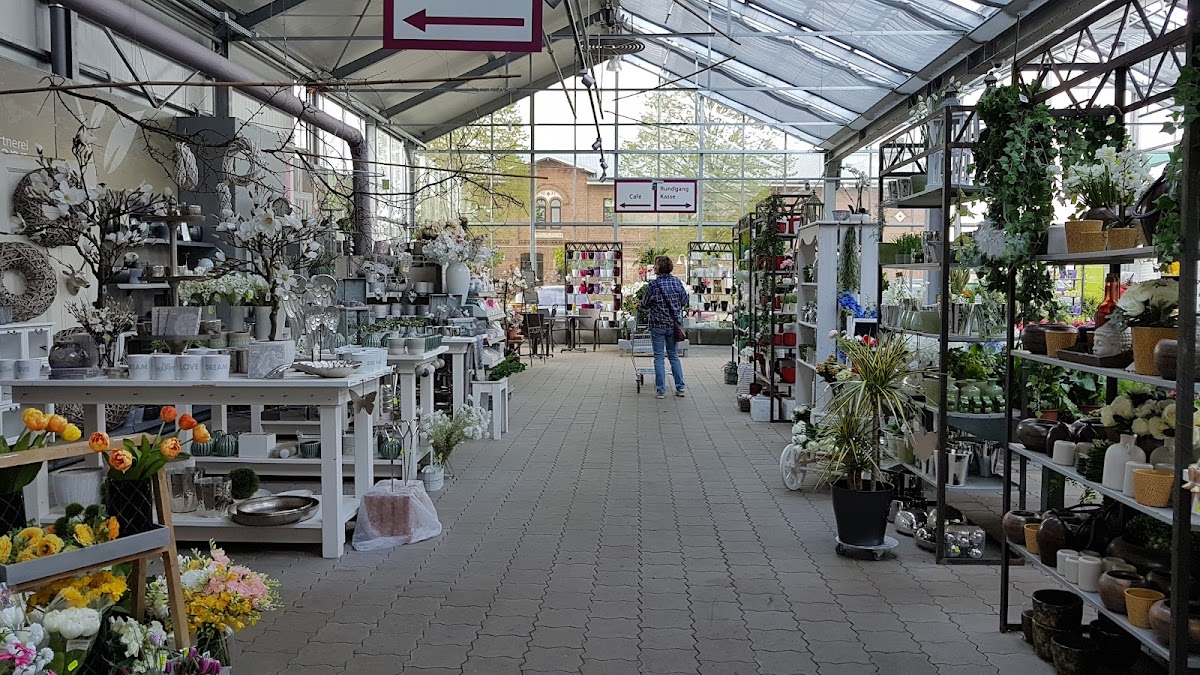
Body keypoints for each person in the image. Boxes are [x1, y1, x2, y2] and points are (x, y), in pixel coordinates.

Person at [641, 255, 688, 399]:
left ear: (658, 267)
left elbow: (644, 304)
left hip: (657, 325)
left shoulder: (653, 285)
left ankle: (661, 390)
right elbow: (684, 300)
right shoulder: (676, 282)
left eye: (655, 265)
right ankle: (680, 388)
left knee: (659, 357)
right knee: (673, 356)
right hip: (673, 326)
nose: (654, 267)